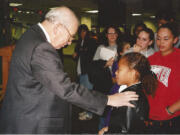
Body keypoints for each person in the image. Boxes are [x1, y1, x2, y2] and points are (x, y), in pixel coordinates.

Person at [0, 7, 138, 134]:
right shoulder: (41, 47)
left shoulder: (31, 35)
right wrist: (108, 99)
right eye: (71, 36)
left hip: (25, 116)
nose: (70, 42)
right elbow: (66, 89)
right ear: (58, 28)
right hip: (33, 123)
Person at [99, 52, 157, 134]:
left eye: (119, 69)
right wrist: (110, 129)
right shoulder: (128, 91)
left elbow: (126, 131)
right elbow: (121, 124)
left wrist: (105, 133)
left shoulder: (130, 99)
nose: (116, 72)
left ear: (133, 73)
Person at [147, 23, 180, 133]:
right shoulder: (151, 59)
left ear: (175, 40)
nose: (161, 42)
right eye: (159, 39)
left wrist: (170, 110)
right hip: (150, 118)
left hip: (171, 119)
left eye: (166, 39)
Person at [89, 25, 121, 130]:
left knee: (115, 112)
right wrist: (105, 64)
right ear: (106, 35)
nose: (112, 35)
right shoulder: (101, 48)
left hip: (118, 83)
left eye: (114, 33)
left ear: (117, 34)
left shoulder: (122, 48)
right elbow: (94, 66)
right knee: (104, 110)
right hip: (103, 83)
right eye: (109, 33)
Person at [72, 24, 97, 120]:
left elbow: (91, 56)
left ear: (87, 32)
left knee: (88, 93)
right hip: (80, 71)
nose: (82, 33)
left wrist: (80, 52)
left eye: (84, 31)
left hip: (87, 72)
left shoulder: (91, 42)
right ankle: (86, 111)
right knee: (83, 93)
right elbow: (77, 56)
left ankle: (90, 113)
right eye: (81, 32)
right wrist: (75, 55)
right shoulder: (79, 42)